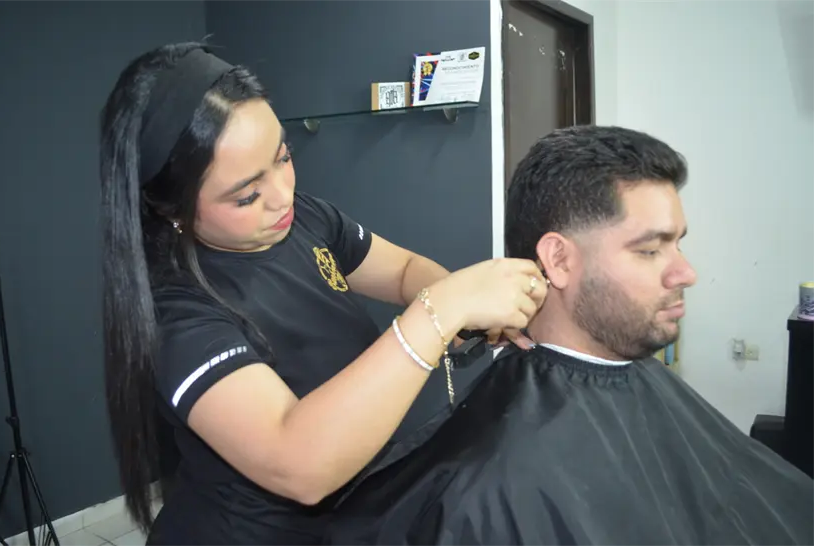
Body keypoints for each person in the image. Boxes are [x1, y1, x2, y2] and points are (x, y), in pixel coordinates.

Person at [99, 42, 549, 546]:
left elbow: (402, 271)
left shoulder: (305, 218)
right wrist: (442, 310)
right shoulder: (174, 314)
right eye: (246, 195)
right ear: (172, 209)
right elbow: (298, 463)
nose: (281, 194)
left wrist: (462, 314)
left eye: (283, 157)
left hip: (356, 518)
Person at [322, 125, 814, 545]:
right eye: (650, 250)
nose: (685, 273)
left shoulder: (640, 389)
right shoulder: (490, 484)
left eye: (679, 244)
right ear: (558, 260)